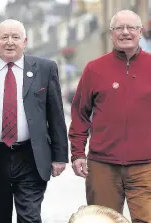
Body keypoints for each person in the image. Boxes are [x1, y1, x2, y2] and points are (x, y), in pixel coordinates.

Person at [0, 19, 68, 223]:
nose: (10, 42)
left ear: (25, 41)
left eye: (15, 37)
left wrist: (60, 156)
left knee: (30, 218)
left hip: (31, 156)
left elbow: (55, 114)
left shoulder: (45, 68)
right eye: (4, 37)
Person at [69, 10, 151, 223]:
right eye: (119, 28)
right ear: (111, 34)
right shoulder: (94, 69)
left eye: (131, 28)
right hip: (102, 167)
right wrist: (78, 153)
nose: (125, 32)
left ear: (140, 32)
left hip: (146, 167)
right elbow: (80, 114)